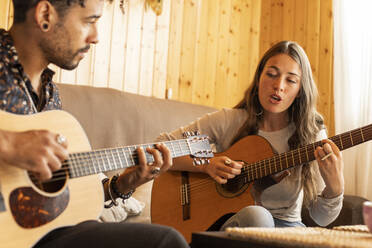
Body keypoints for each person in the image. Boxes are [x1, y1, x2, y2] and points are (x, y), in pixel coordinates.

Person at [0, 0, 189, 247]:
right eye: (90, 21)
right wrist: (8, 142)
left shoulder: (50, 96)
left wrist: (123, 185)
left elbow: (60, 197)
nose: (96, 37)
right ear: (45, 14)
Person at [157, 40, 344, 229]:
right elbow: (161, 147)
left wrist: (335, 186)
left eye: (291, 80)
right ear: (259, 78)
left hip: (288, 229)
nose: (278, 85)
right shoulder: (229, 121)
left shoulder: (312, 133)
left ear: (300, 90)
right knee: (257, 216)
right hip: (231, 224)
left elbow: (321, 219)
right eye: (271, 74)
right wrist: (206, 164)